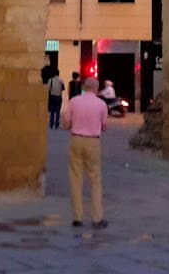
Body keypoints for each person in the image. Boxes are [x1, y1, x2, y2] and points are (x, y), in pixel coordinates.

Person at [60, 74, 109, 228]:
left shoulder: (74, 101)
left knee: (75, 178)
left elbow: (66, 122)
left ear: (83, 87)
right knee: (95, 180)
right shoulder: (101, 104)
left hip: (76, 139)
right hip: (93, 141)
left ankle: (78, 217)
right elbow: (105, 126)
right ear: (96, 89)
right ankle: (97, 218)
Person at [46, 66, 67, 130]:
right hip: (58, 96)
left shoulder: (50, 80)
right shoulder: (61, 80)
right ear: (58, 73)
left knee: (52, 110)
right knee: (58, 111)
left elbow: (48, 89)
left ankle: (51, 124)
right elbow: (63, 88)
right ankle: (56, 124)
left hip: (52, 96)